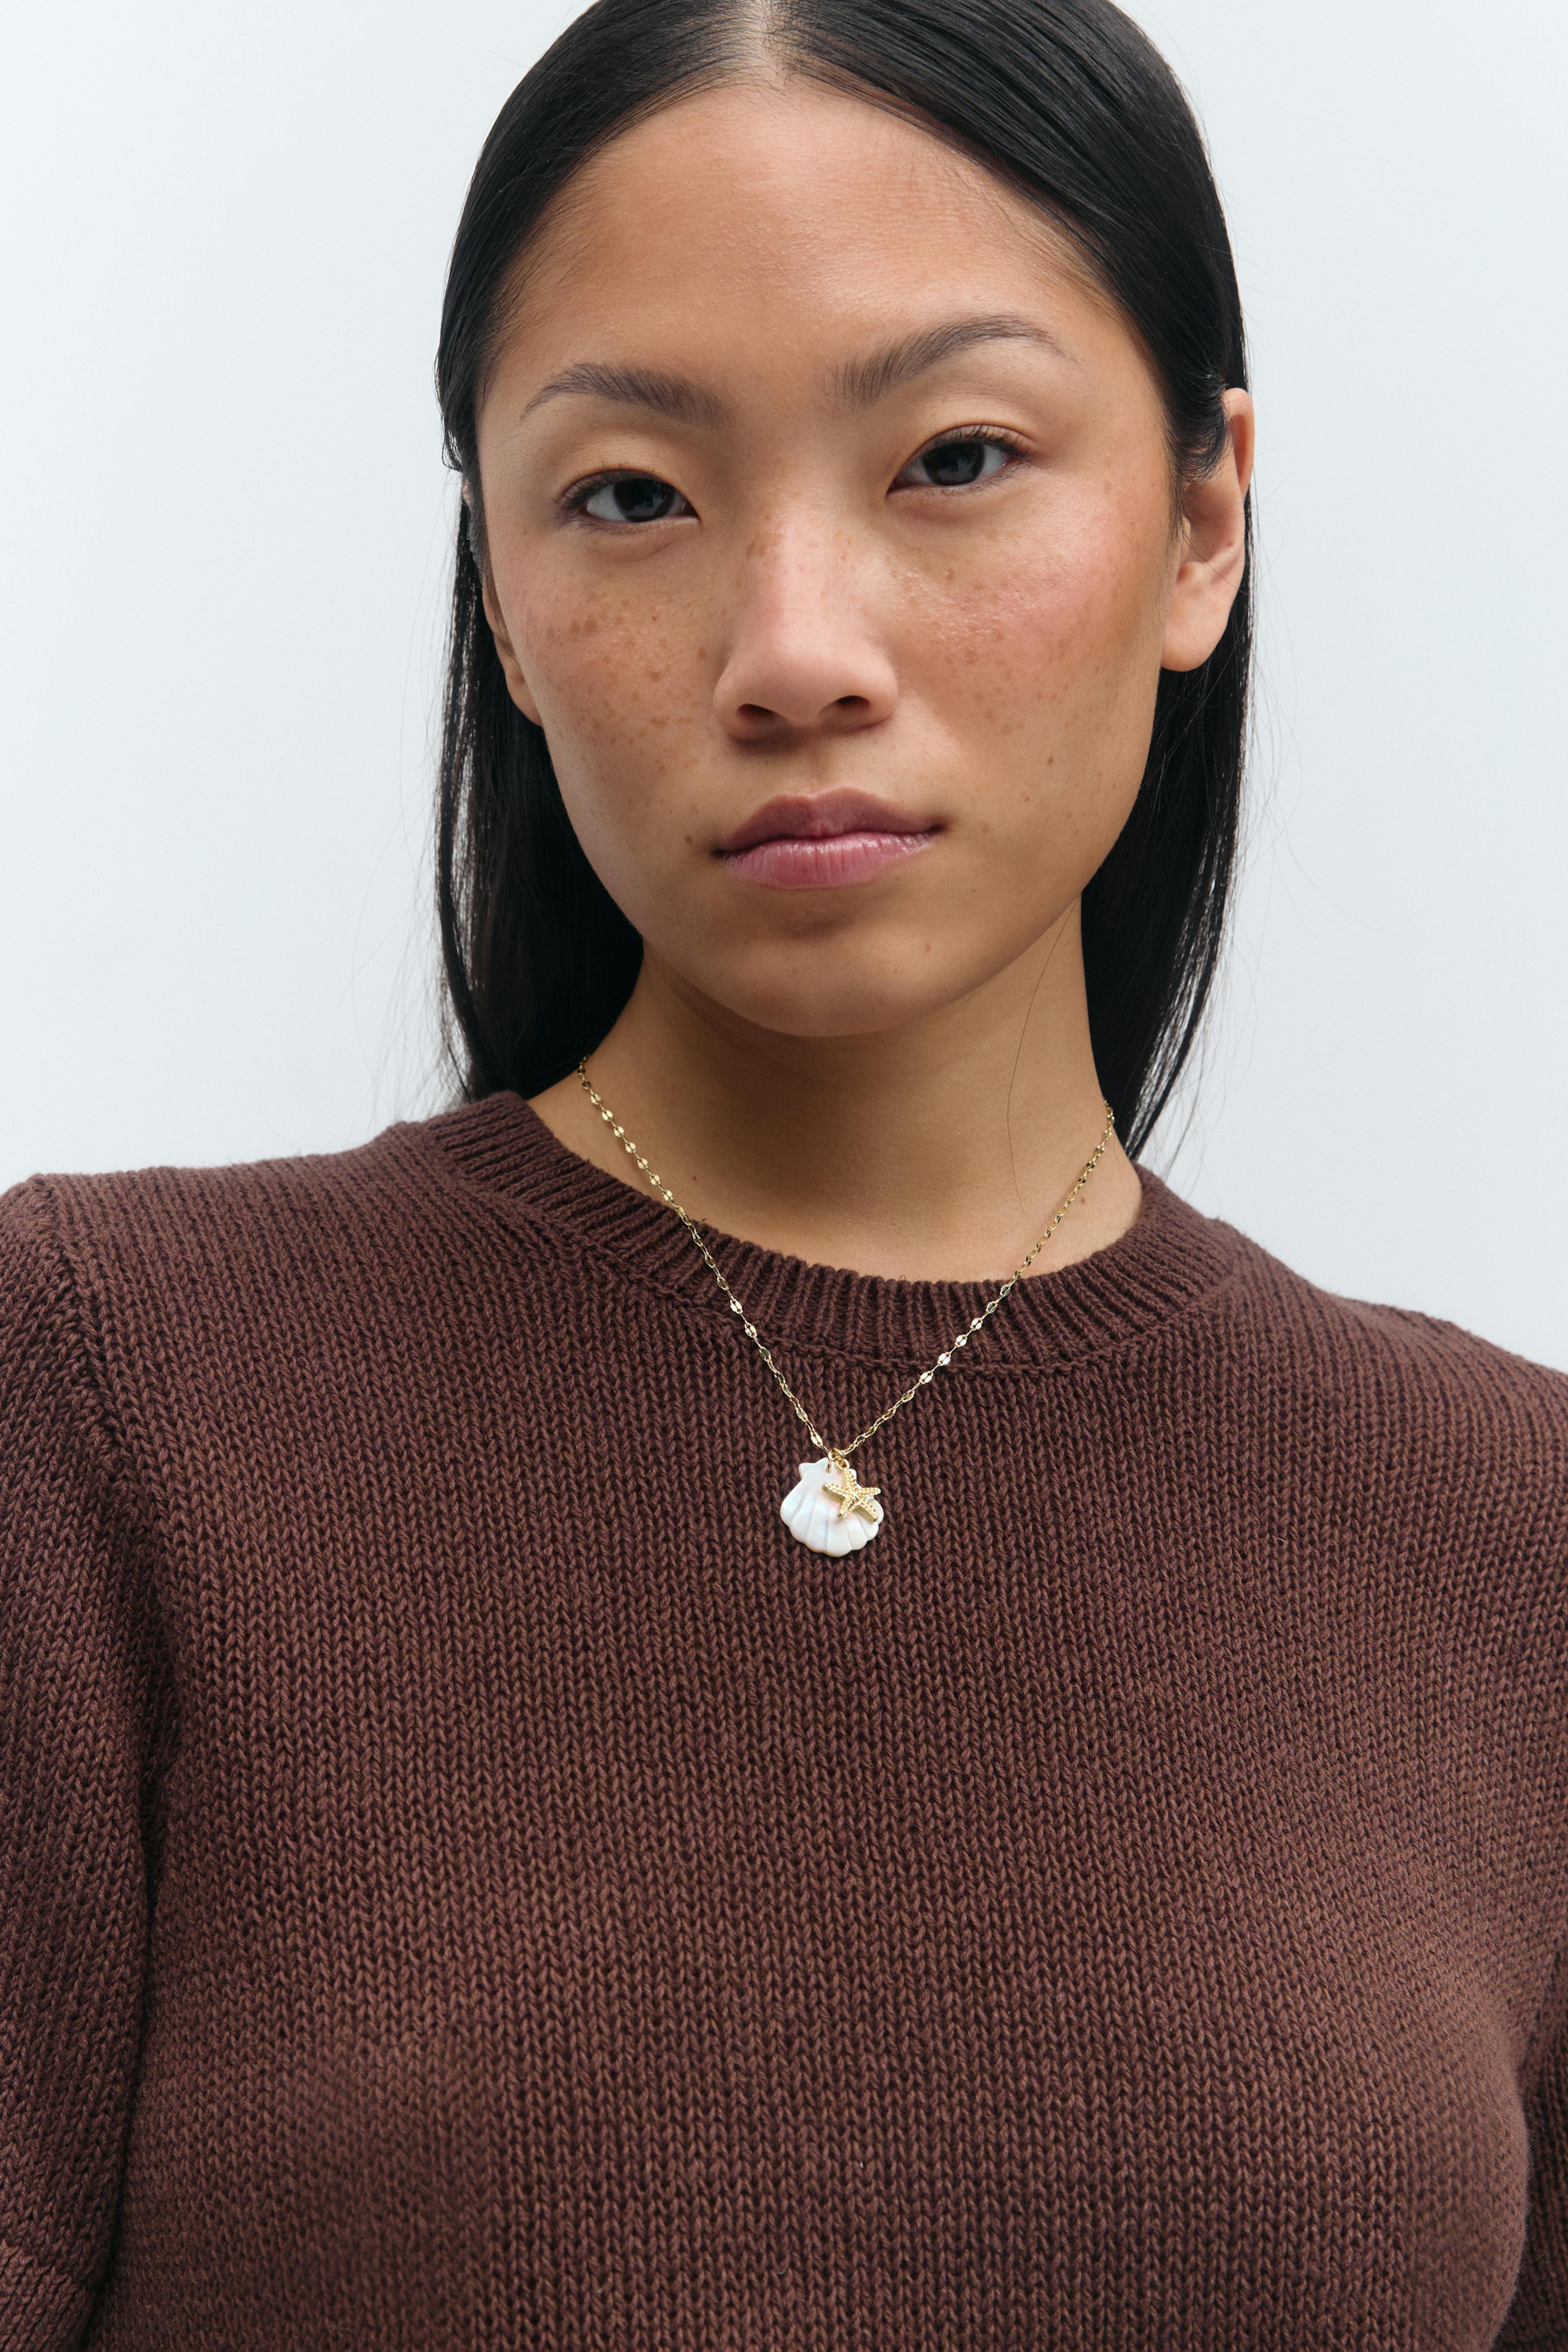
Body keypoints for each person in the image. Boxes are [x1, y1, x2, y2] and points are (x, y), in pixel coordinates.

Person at [2, 0, 1564, 2342]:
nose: (795, 651)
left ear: (1202, 522)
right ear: (502, 595)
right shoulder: (104, 1398)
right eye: (632, 494)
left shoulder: (1516, 1544)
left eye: (956, 456)